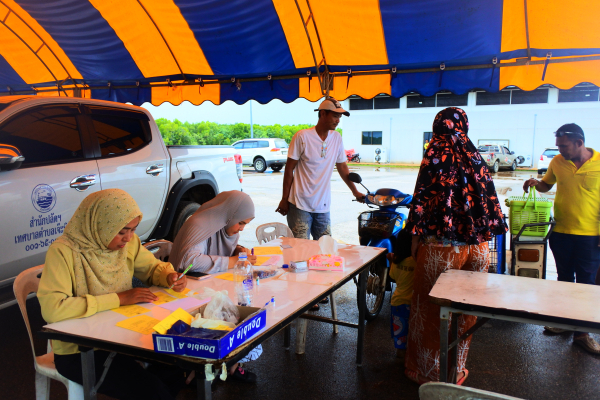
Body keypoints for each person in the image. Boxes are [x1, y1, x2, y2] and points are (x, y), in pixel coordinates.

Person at [38, 189, 187, 400]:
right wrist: (119, 299)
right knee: (152, 391)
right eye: (121, 231)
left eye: (133, 230)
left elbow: (152, 269)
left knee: (176, 367)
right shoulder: (64, 252)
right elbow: (53, 309)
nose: (128, 238)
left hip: (123, 336)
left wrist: (169, 276)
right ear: (100, 225)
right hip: (79, 351)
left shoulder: (128, 244)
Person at [404, 107, 507, 385]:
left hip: (442, 248)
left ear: (438, 126)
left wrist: (414, 236)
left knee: (430, 308)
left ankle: (428, 372)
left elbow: (423, 197)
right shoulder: (476, 156)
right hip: (479, 249)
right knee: (465, 311)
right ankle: (457, 369)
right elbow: (491, 203)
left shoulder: (436, 153)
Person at [275, 96, 364, 310]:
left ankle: (319, 291)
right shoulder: (302, 137)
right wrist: (284, 198)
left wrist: (356, 190)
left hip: (323, 205)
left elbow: (343, 168)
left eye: (340, 116)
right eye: (335, 115)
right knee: (301, 252)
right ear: (322, 114)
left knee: (325, 251)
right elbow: (289, 169)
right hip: (299, 203)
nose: (338, 120)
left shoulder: (336, 139)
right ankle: (302, 296)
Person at [523, 123, 600, 355]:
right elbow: (548, 184)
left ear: (579, 143)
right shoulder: (557, 162)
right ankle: (566, 323)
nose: (560, 151)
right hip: (561, 232)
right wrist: (537, 184)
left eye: (564, 146)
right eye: (558, 146)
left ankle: (582, 334)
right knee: (565, 281)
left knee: (586, 286)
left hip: (590, 236)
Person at [169, 190, 260, 382]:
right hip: (184, 289)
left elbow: (216, 251)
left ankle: (229, 364)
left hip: (208, 285)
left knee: (235, 312)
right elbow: (190, 261)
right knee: (227, 317)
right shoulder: (199, 224)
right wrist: (232, 261)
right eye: (241, 222)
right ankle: (197, 370)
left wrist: (238, 250)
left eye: (245, 224)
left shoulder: (224, 223)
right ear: (230, 214)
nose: (242, 228)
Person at [388, 229, 416, 361]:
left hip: (397, 301)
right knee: (412, 330)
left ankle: (400, 352)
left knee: (400, 331)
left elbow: (392, 276)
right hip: (412, 302)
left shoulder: (396, 261)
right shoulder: (415, 262)